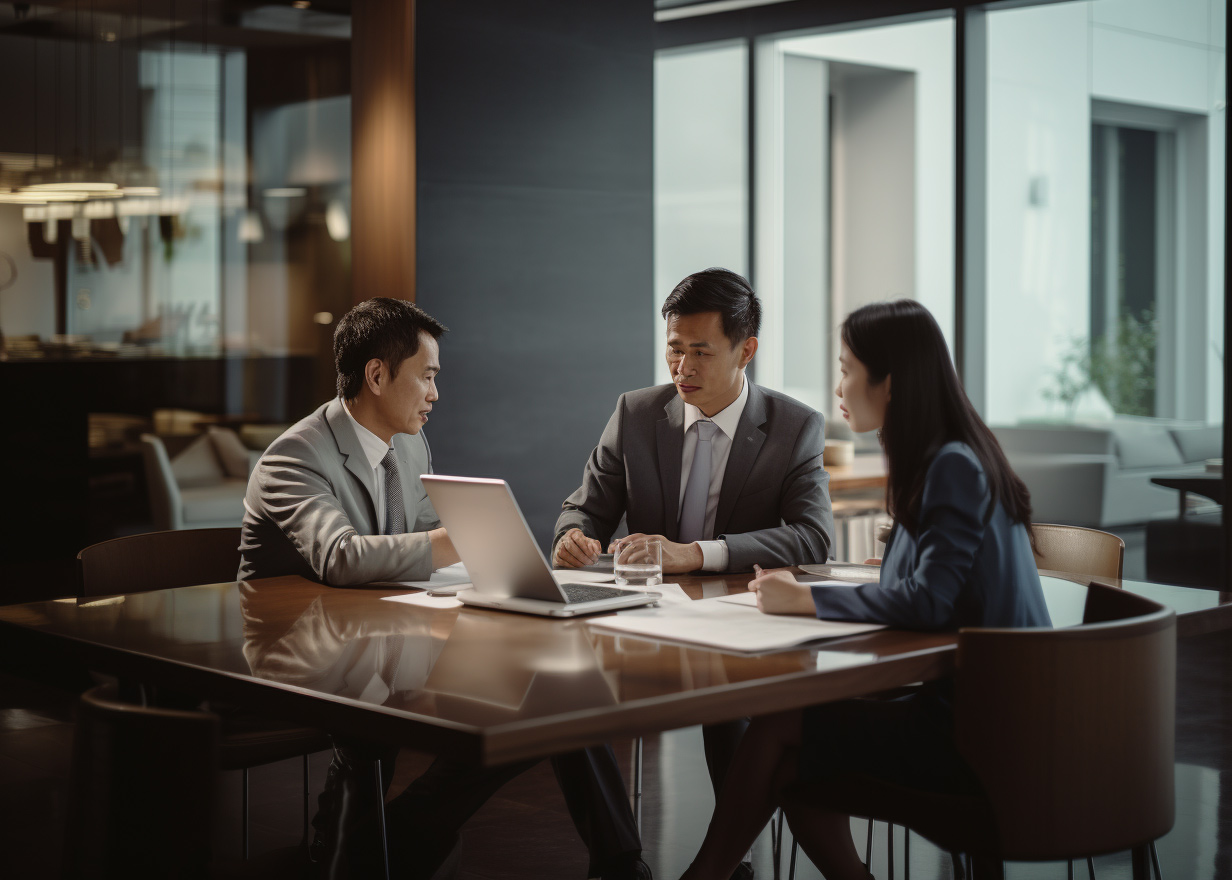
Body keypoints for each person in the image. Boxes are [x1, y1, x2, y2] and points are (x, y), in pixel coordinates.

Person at [240, 297, 647, 880]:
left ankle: (622, 867)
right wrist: (460, 538)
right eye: (427, 377)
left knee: (558, 692)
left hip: (379, 637)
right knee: (384, 715)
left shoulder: (408, 443)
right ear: (377, 376)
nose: (436, 393)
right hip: (297, 657)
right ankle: (386, 840)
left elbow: (429, 541)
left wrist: (491, 560)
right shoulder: (293, 457)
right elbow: (340, 556)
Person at [680, 299, 1052, 880]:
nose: (839, 387)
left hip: (981, 731)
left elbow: (929, 602)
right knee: (793, 762)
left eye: (849, 368)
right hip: (1000, 715)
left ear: (893, 381)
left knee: (781, 729)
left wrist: (804, 597)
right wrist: (898, 571)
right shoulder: (951, 453)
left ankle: (706, 875)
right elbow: (946, 584)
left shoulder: (949, 463)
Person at [553, 268, 835, 876]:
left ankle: (728, 861)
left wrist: (698, 553)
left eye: (701, 352)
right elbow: (586, 506)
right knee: (563, 692)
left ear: (746, 350)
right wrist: (573, 537)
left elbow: (813, 538)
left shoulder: (793, 428)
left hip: (739, 628)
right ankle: (620, 860)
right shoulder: (635, 413)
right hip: (641, 623)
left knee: (729, 699)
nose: (682, 367)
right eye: (674, 349)